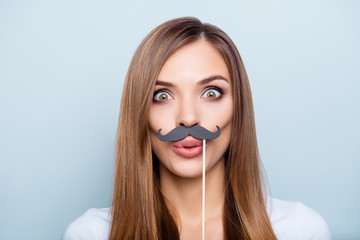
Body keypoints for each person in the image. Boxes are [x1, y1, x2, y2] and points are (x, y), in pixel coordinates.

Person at [63, 17, 331, 240]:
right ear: (139, 113)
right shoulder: (91, 234)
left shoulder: (300, 230)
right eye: (162, 96)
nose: (188, 119)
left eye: (211, 93)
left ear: (239, 109)